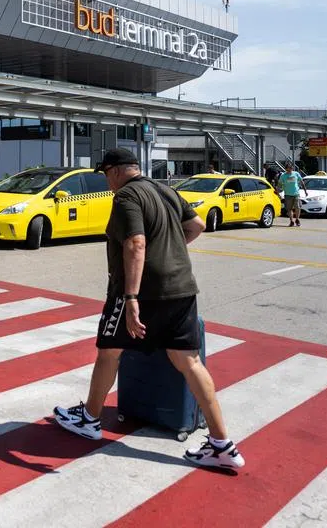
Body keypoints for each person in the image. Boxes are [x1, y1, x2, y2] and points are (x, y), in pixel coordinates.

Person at [52, 147, 245, 470]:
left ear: (114, 171)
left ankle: (89, 419)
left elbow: (135, 243)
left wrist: (131, 299)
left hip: (142, 293)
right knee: (189, 361)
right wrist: (168, 252)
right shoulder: (166, 190)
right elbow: (196, 225)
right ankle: (221, 443)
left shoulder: (127, 197)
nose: (108, 182)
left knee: (108, 352)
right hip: (182, 288)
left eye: (106, 175)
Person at [278, 161, 305, 227]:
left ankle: (297, 219)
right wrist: (279, 190)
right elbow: (279, 184)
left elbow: (301, 182)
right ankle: (291, 220)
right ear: (286, 169)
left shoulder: (296, 174)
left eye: (290, 168)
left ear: (292, 168)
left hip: (296, 194)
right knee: (289, 209)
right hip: (287, 194)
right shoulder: (283, 176)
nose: (289, 170)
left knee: (298, 207)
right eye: (288, 168)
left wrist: (305, 190)